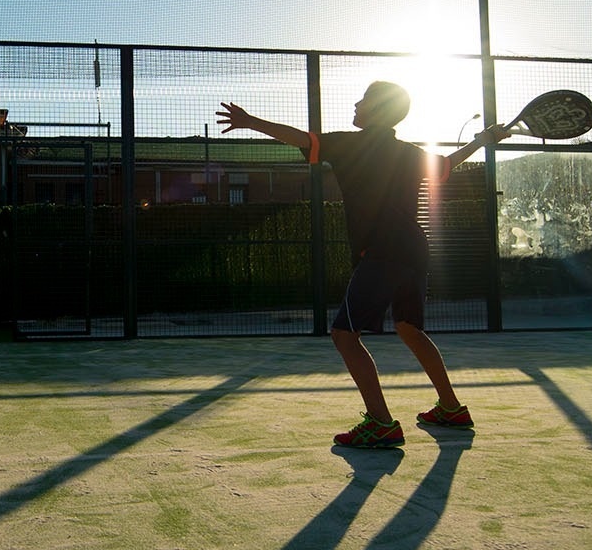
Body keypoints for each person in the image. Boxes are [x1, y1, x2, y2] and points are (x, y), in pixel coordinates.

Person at [217, 81, 510, 447]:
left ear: (378, 109)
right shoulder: (408, 152)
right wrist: (482, 140)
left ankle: (381, 423)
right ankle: (451, 408)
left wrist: (250, 121)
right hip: (415, 251)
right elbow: (448, 165)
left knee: (344, 335)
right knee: (409, 329)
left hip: (384, 251)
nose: (356, 104)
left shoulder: (350, 144)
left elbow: (302, 139)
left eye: (364, 100)